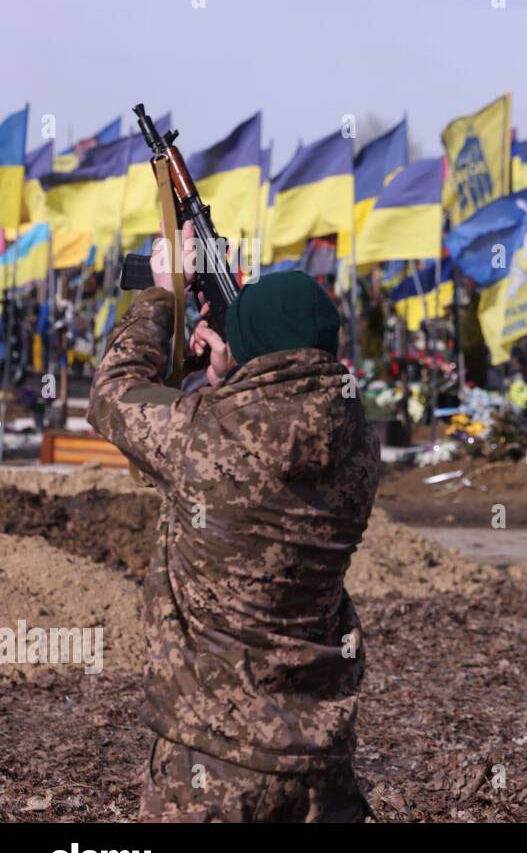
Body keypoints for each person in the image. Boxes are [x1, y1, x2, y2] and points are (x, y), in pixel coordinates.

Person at [88, 224, 381, 822]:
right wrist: (230, 377)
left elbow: (115, 392)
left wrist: (161, 297)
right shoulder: (359, 444)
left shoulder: (201, 432)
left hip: (211, 763)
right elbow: (267, 430)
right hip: (318, 761)